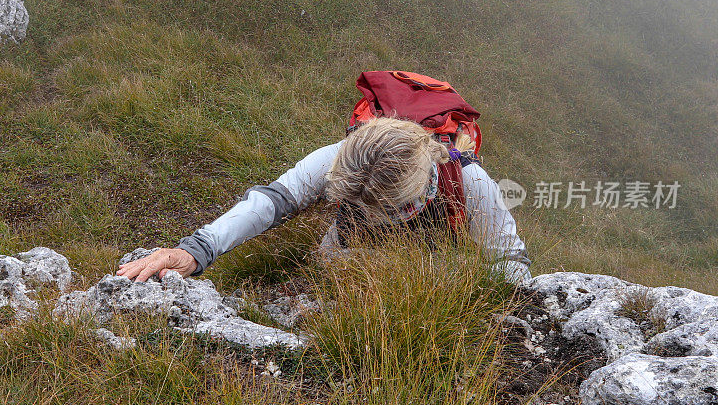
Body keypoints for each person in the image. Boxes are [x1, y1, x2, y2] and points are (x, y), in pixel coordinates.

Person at [117, 117, 532, 284]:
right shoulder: (338, 156)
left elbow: (510, 261)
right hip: (343, 258)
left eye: (391, 211)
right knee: (330, 274)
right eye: (356, 203)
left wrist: (465, 310)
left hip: (434, 267)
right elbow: (272, 201)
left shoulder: (470, 183)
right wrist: (194, 251)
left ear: (426, 186)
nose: (376, 219)